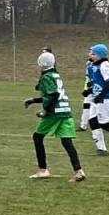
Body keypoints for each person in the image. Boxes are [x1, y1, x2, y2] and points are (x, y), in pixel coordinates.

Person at [24, 49, 85, 182]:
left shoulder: (47, 77)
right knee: (66, 141)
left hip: (55, 112)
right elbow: (53, 95)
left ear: (42, 64)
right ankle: (79, 171)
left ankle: (43, 170)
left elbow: (53, 95)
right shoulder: (55, 75)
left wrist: (45, 110)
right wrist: (34, 100)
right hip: (65, 111)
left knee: (37, 137)